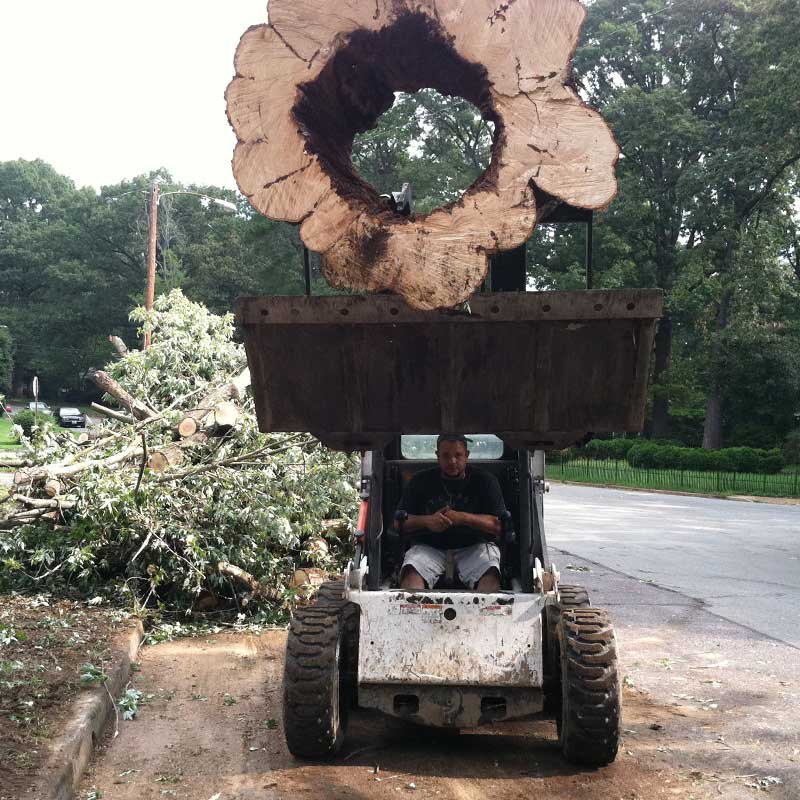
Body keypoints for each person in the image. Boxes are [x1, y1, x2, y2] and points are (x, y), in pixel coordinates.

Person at [396, 434, 507, 592]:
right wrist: (428, 521)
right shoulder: (419, 481)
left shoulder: (486, 481)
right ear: (437, 456)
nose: (452, 461)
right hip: (429, 548)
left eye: (458, 455)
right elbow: (398, 522)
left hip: (475, 547)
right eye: (446, 455)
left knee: (490, 577)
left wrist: (462, 518)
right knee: (411, 578)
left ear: (467, 456)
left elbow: (500, 525)